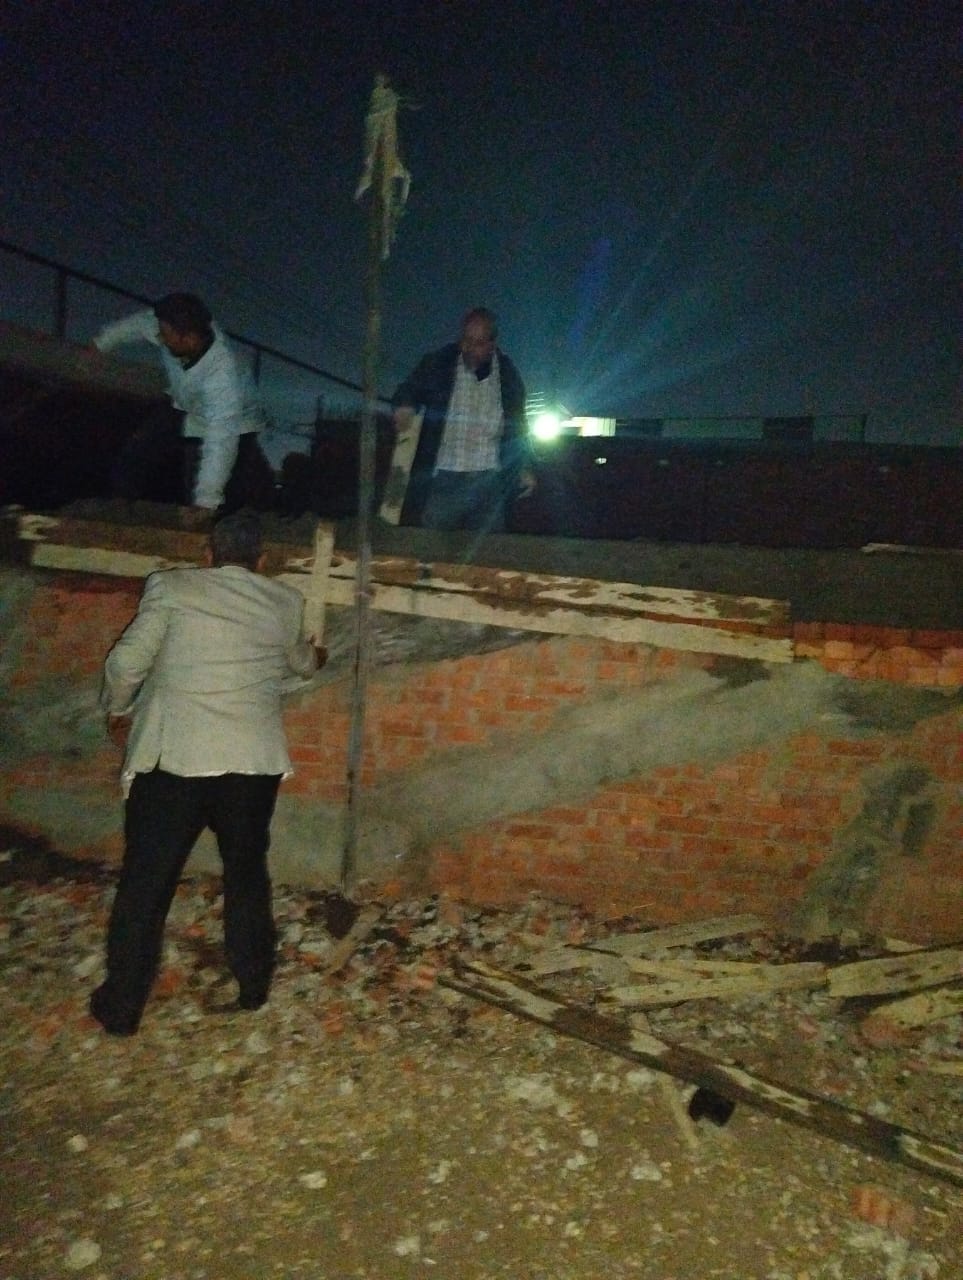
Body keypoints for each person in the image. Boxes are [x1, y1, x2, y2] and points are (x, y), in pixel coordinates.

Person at [89, 510, 325, 1035]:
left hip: (177, 762)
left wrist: (118, 706)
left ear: (208, 553)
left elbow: (126, 663)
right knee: (246, 873)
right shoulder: (283, 601)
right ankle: (254, 986)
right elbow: (301, 662)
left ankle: (122, 1008)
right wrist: (317, 659)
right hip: (251, 767)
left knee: (146, 885)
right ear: (262, 560)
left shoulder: (172, 588)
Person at [91, 292, 272, 516]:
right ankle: (117, 503)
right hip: (186, 403)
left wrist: (206, 501)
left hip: (236, 421)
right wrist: (101, 343)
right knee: (142, 445)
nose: (159, 337)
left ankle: (219, 519)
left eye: (166, 335)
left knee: (208, 487)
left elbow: (220, 439)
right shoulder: (174, 329)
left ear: (189, 339)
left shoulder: (223, 376)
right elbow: (140, 324)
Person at [391, 307, 535, 531]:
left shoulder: (508, 375)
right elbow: (409, 387)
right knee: (431, 546)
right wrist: (404, 404)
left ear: (492, 344)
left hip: (489, 482)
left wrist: (524, 466)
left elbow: (518, 426)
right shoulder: (440, 363)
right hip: (444, 480)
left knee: (488, 549)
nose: (469, 348)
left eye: (478, 343)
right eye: (466, 340)